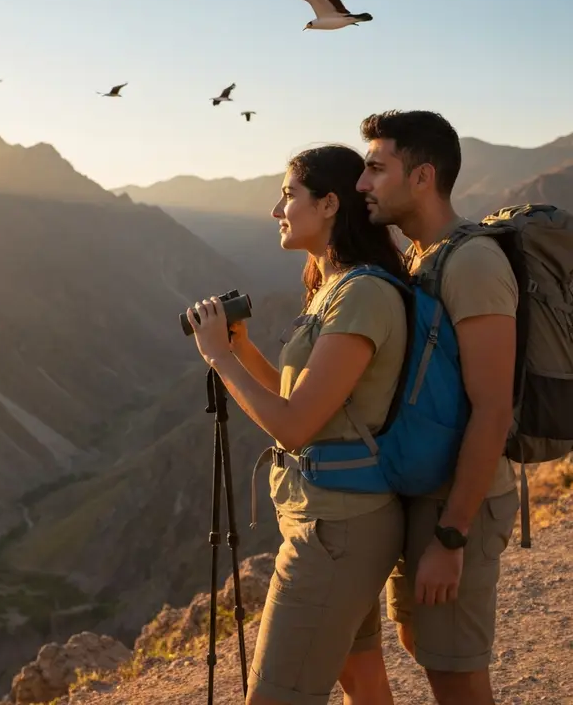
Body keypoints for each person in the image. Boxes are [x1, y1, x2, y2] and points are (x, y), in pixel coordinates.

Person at [186, 144, 409, 705]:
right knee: (362, 681)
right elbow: (304, 399)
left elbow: (295, 426)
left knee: (275, 695)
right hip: (336, 520)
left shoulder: (361, 294)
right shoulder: (335, 287)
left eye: (288, 195)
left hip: (335, 533)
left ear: (330, 204)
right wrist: (242, 349)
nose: (275, 210)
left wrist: (219, 357)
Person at [352, 109, 520, 705]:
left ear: (422, 177)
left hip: (459, 503)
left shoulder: (473, 263)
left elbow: (493, 409)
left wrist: (451, 538)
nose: (362, 183)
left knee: (456, 677)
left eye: (377, 168)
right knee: (421, 644)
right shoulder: (422, 255)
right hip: (423, 494)